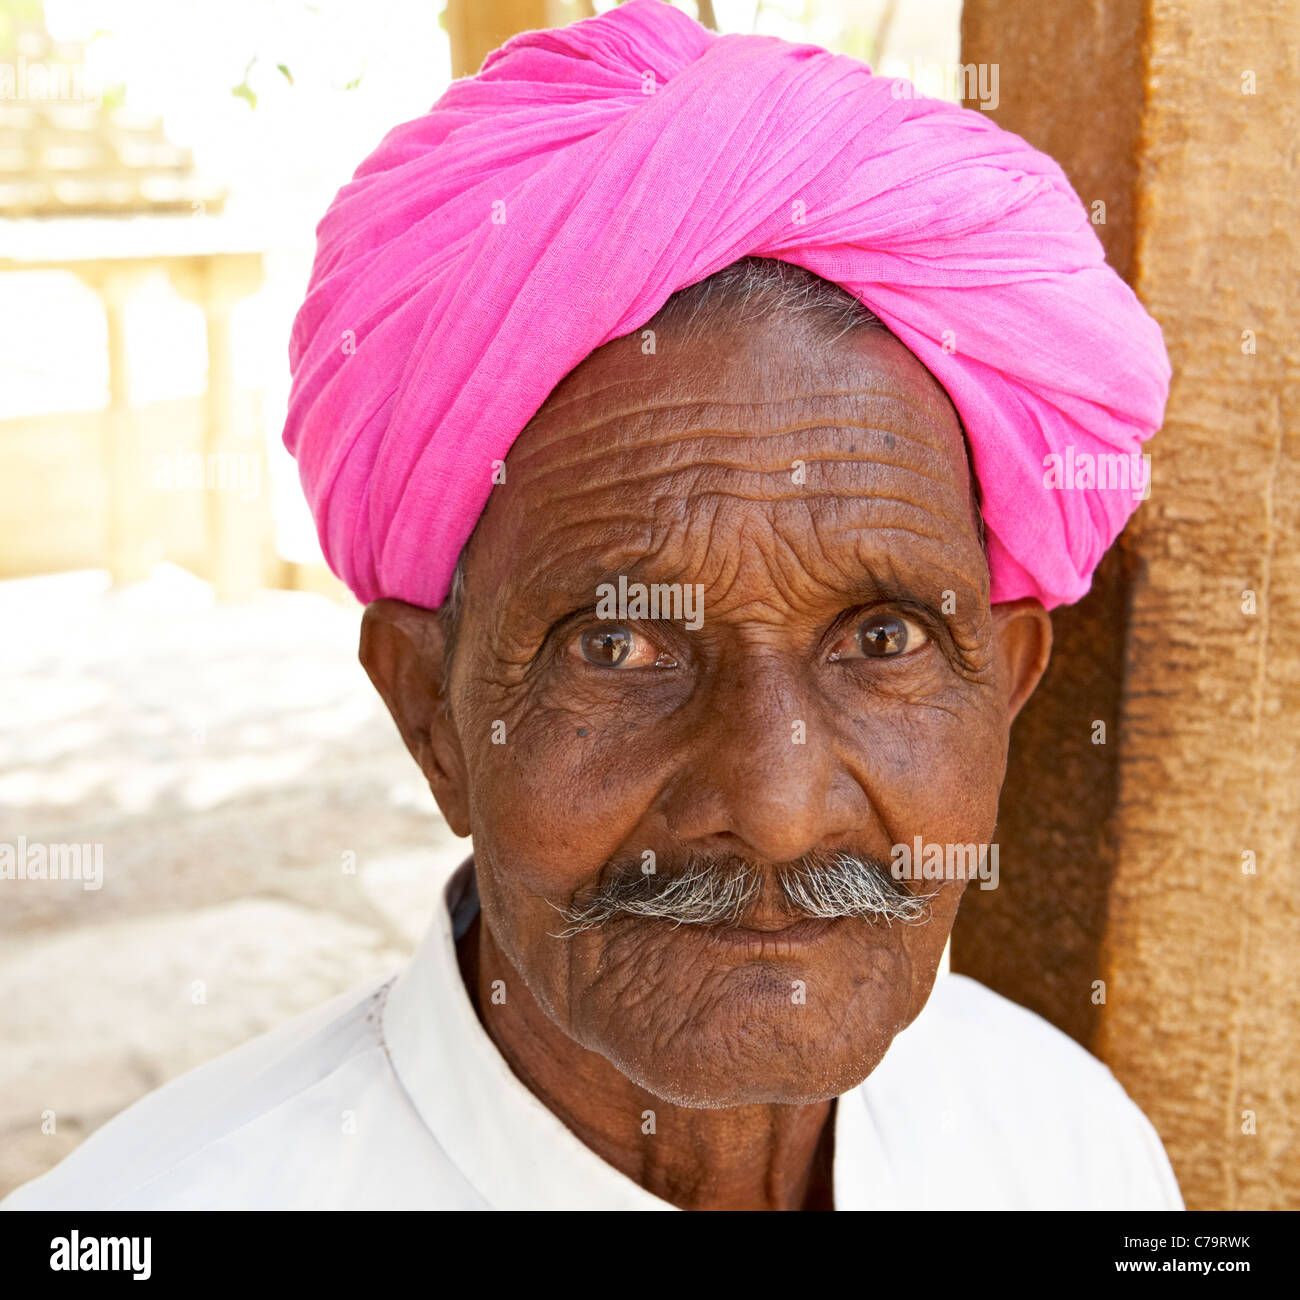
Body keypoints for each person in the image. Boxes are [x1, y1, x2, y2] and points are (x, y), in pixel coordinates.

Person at [5, 0, 1181, 1211]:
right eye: (619, 645)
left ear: (1010, 686)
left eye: (881, 641)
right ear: (433, 718)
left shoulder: (1067, 1151)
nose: (775, 814)